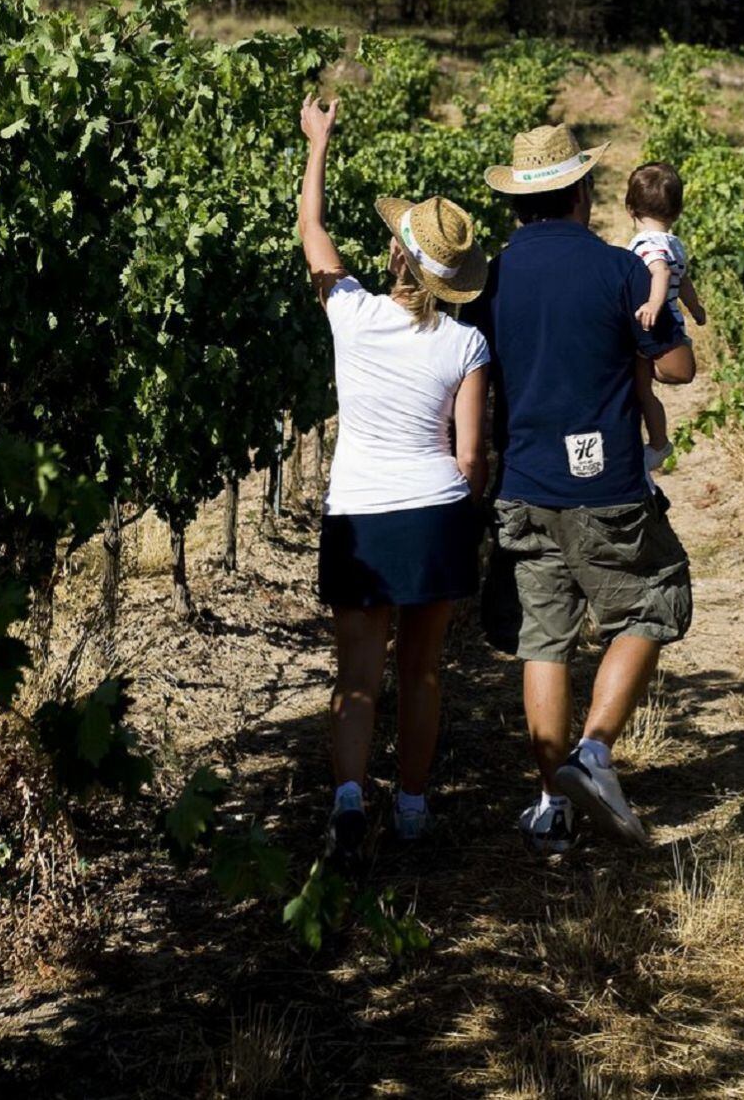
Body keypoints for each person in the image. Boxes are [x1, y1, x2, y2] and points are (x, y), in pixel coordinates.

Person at [465, 122, 695, 853]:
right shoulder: (616, 269)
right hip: (608, 483)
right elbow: (680, 367)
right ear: (583, 194)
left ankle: (550, 804)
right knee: (655, 595)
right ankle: (593, 751)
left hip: (525, 483)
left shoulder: (489, 279)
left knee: (545, 637)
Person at [297, 93, 490, 869]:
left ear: (394, 257)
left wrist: (319, 143)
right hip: (433, 514)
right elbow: (471, 458)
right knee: (423, 669)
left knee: (356, 674)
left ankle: (349, 797)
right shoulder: (467, 342)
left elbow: (312, 231)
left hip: (360, 515)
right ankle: (411, 806)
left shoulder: (351, 312)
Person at [625, 161, 707, 471]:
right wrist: (696, 310)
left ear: (630, 208)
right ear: (677, 211)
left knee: (642, 390)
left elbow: (658, 272)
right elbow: (683, 281)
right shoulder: (675, 244)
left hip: (656, 323)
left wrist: (652, 305)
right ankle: (658, 442)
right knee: (643, 390)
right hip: (671, 319)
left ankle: (658, 443)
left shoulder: (648, 244)